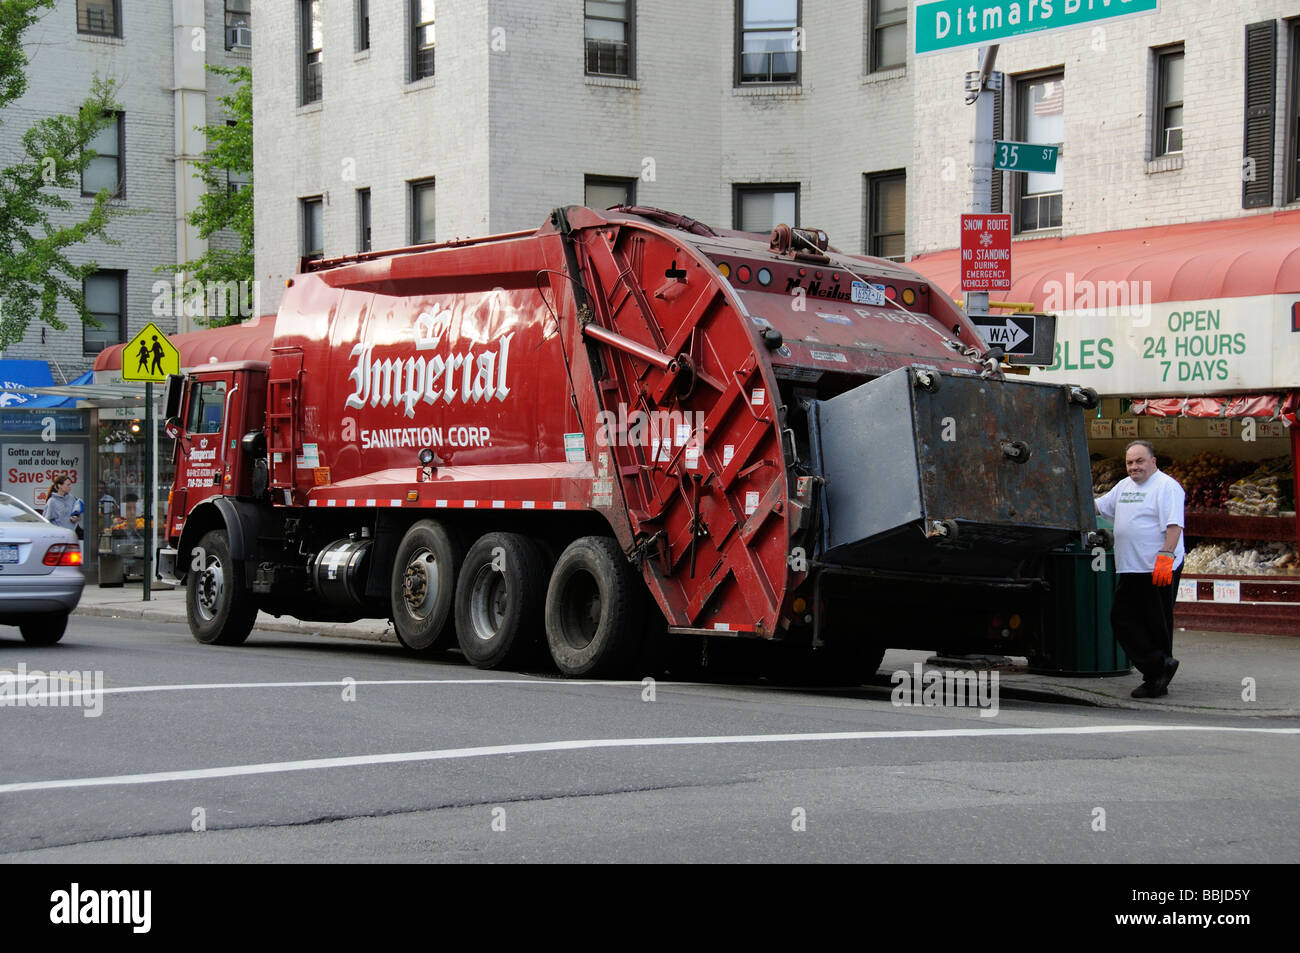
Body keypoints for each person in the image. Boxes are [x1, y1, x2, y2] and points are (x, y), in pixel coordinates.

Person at [1095, 440, 1185, 698]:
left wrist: (1166, 555)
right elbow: (1100, 506)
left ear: (1153, 461)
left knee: (1155, 623)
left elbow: (1174, 525)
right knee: (1121, 618)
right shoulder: (1123, 486)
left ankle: (1156, 678)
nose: (1134, 467)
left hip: (1156, 566)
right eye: (1130, 462)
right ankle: (1159, 665)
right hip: (1130, 566)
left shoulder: (1167, 487)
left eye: (1139, 461)